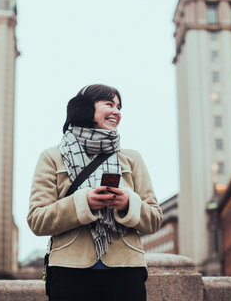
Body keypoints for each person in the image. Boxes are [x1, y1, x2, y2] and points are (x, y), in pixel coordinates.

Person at [27, 84, 162, 301]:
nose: (117, 112)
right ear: (86, 108)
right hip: (69, 271)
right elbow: (37, 220)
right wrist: (84, 203)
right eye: (109, 104)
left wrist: (128, 203)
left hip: (125, 270)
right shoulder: (52, 157)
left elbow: (154, 220)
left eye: (119, 107)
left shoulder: (131, 158)